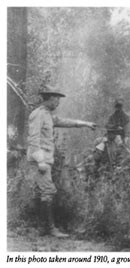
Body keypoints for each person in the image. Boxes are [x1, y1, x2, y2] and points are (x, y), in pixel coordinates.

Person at [27, 86, 96, 237]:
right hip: (41, 161)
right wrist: (40, 161)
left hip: (45, 161)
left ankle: (43, 228)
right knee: (48, 191)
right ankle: (50, 229)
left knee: (42, 193)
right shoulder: (37, 115)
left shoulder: (48, 115)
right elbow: (33, 139)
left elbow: (64, 121)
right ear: (50, 99)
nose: (58, 102)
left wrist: (84, 123)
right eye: (57, 99)